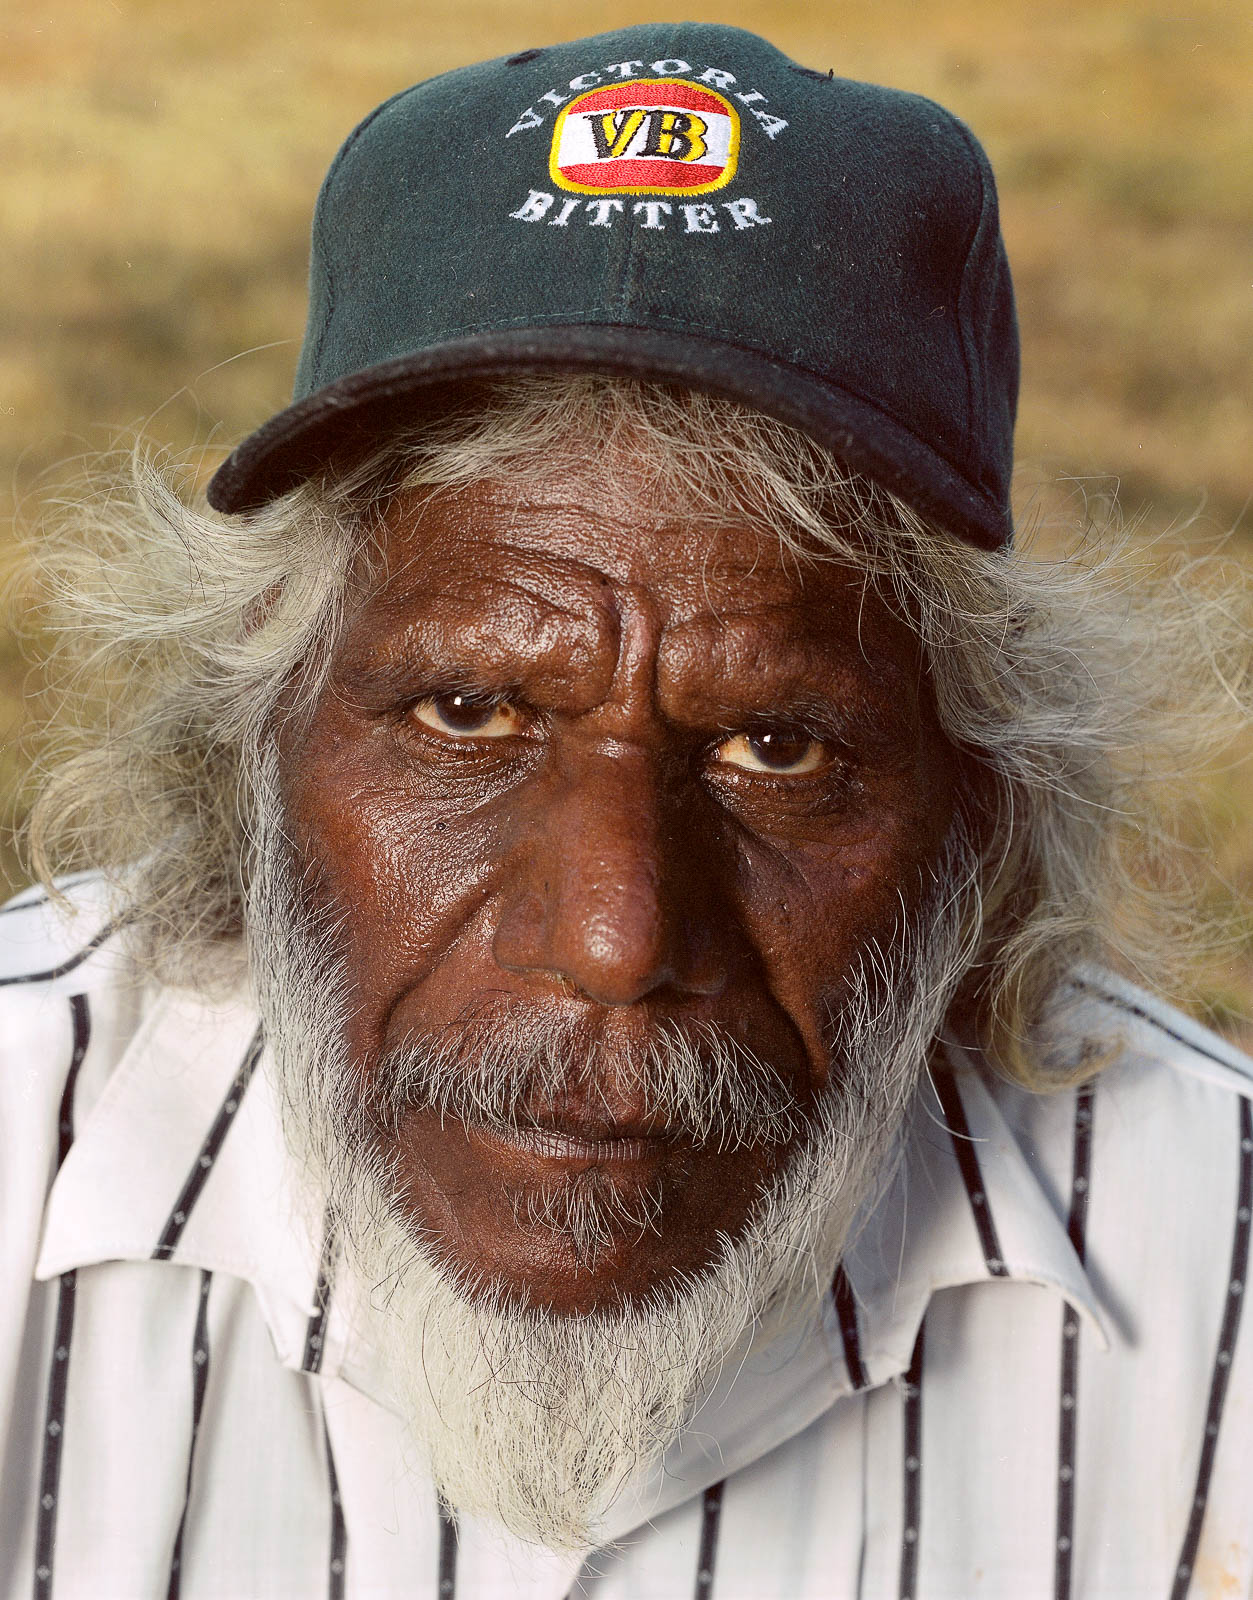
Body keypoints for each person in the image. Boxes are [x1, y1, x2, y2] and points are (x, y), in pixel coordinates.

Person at [2, 21, 1250, 1599]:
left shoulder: (1218, 1272)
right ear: (248, 746)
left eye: (779, 751)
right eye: (468, 713)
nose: (613, 935)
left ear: (979, 811)